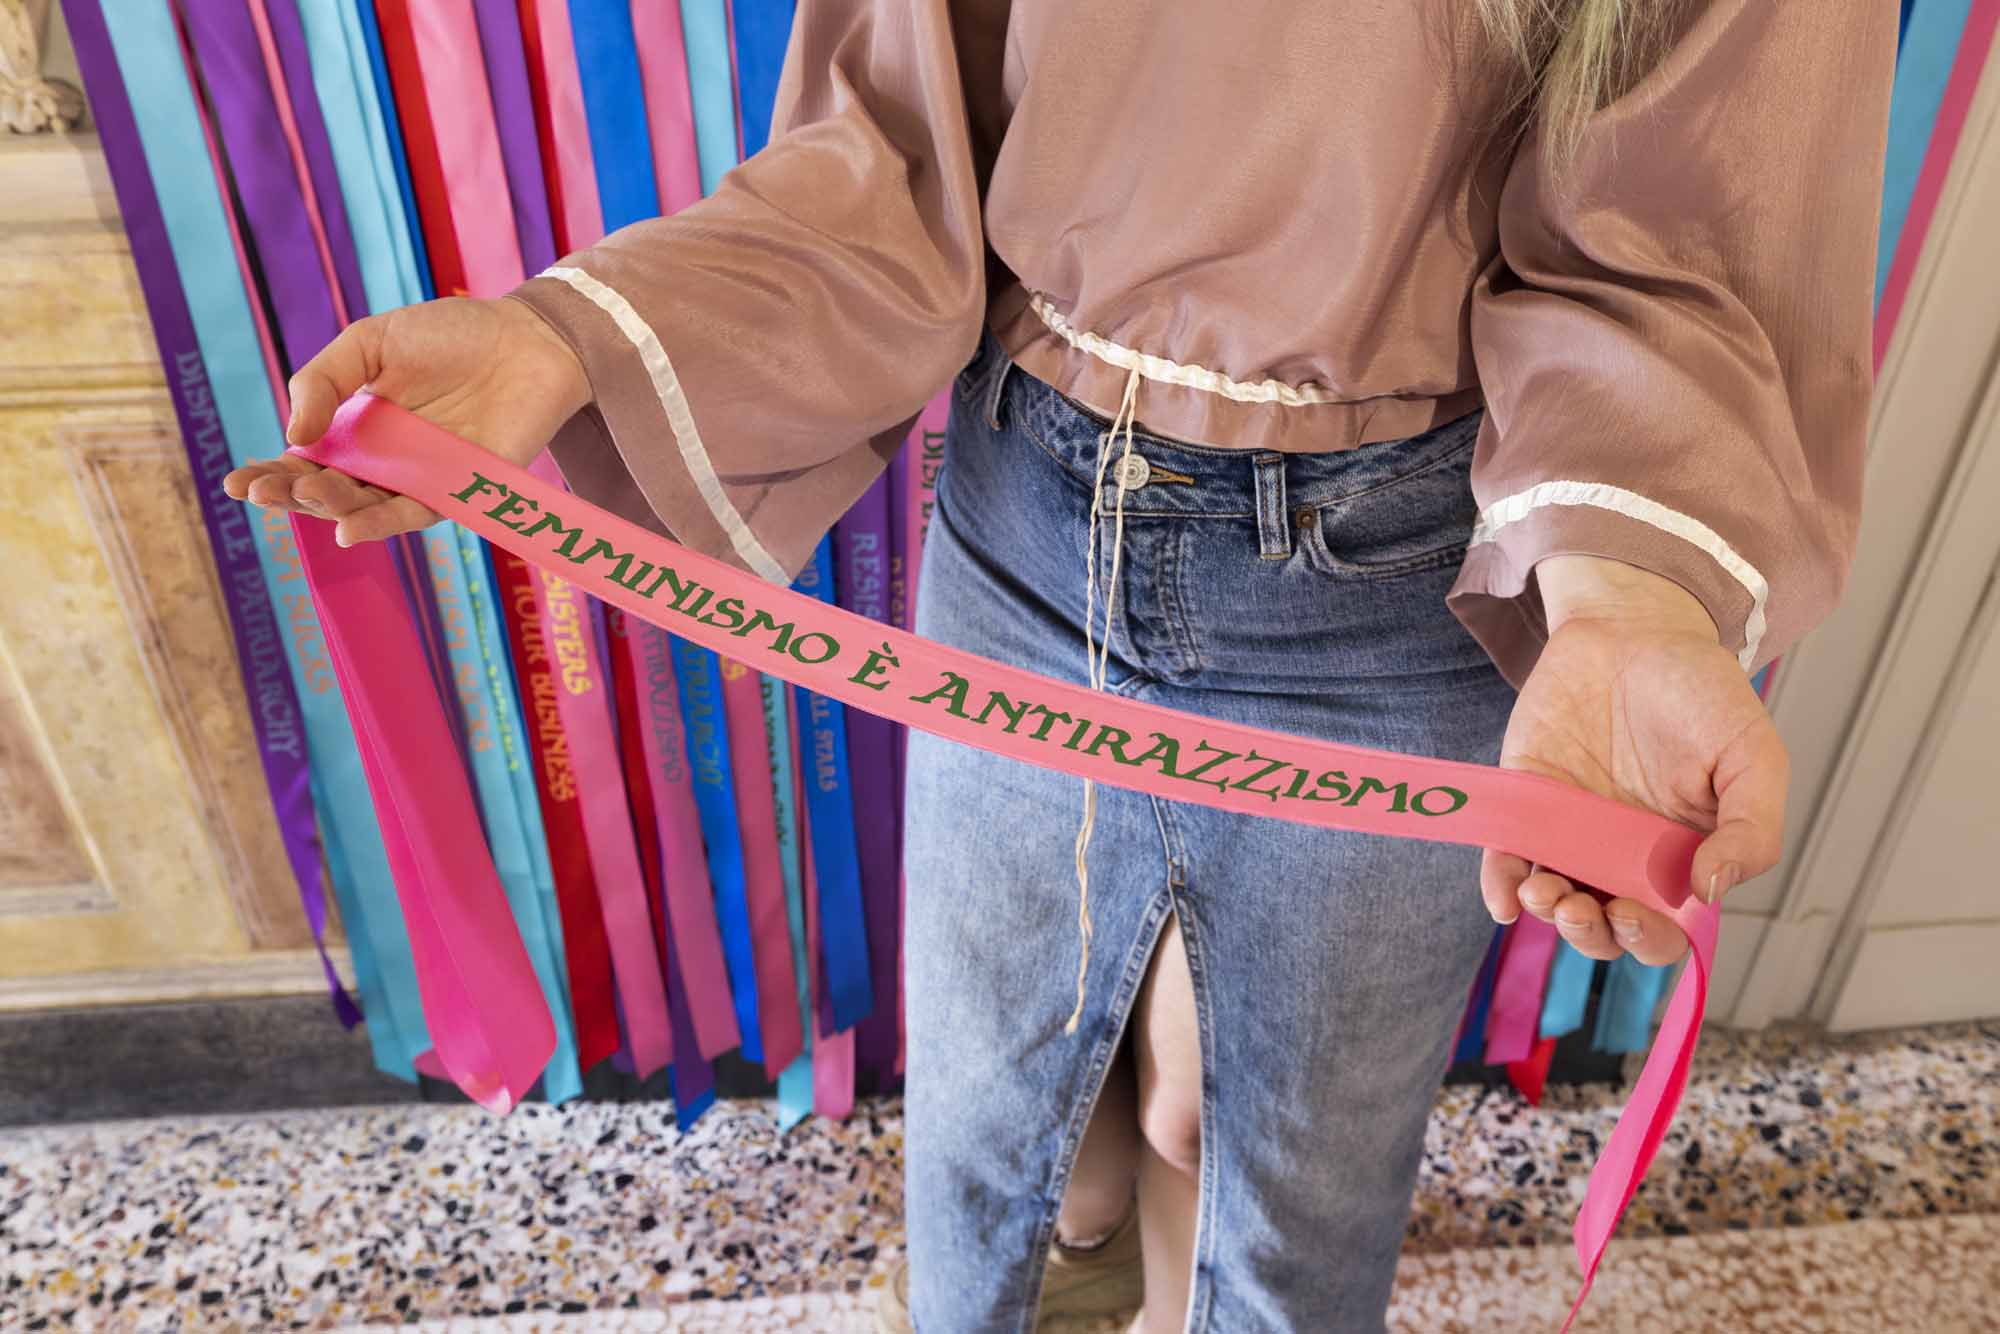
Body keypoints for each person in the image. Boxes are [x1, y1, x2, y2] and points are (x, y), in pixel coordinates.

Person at [226, 1, 1895, 1329]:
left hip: (1403, 575)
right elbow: (892, 147)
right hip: (1028, 508)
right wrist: (558, 335)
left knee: (1279, 1203)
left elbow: (1683, 245)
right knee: (987, 1135)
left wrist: (1634, 602)